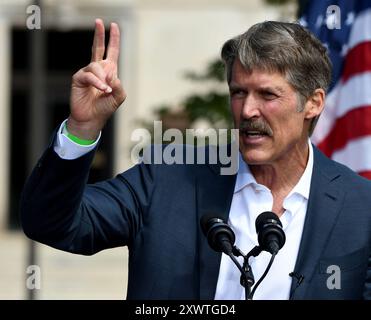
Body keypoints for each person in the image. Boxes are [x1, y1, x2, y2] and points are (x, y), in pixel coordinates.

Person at [20, 19, 371, 300]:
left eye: (267, 94)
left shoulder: (360, 208)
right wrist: (82, 129)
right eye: (238, 93)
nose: (248, 110)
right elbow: (51, 223)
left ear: (313, 103)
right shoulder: (165, 179)